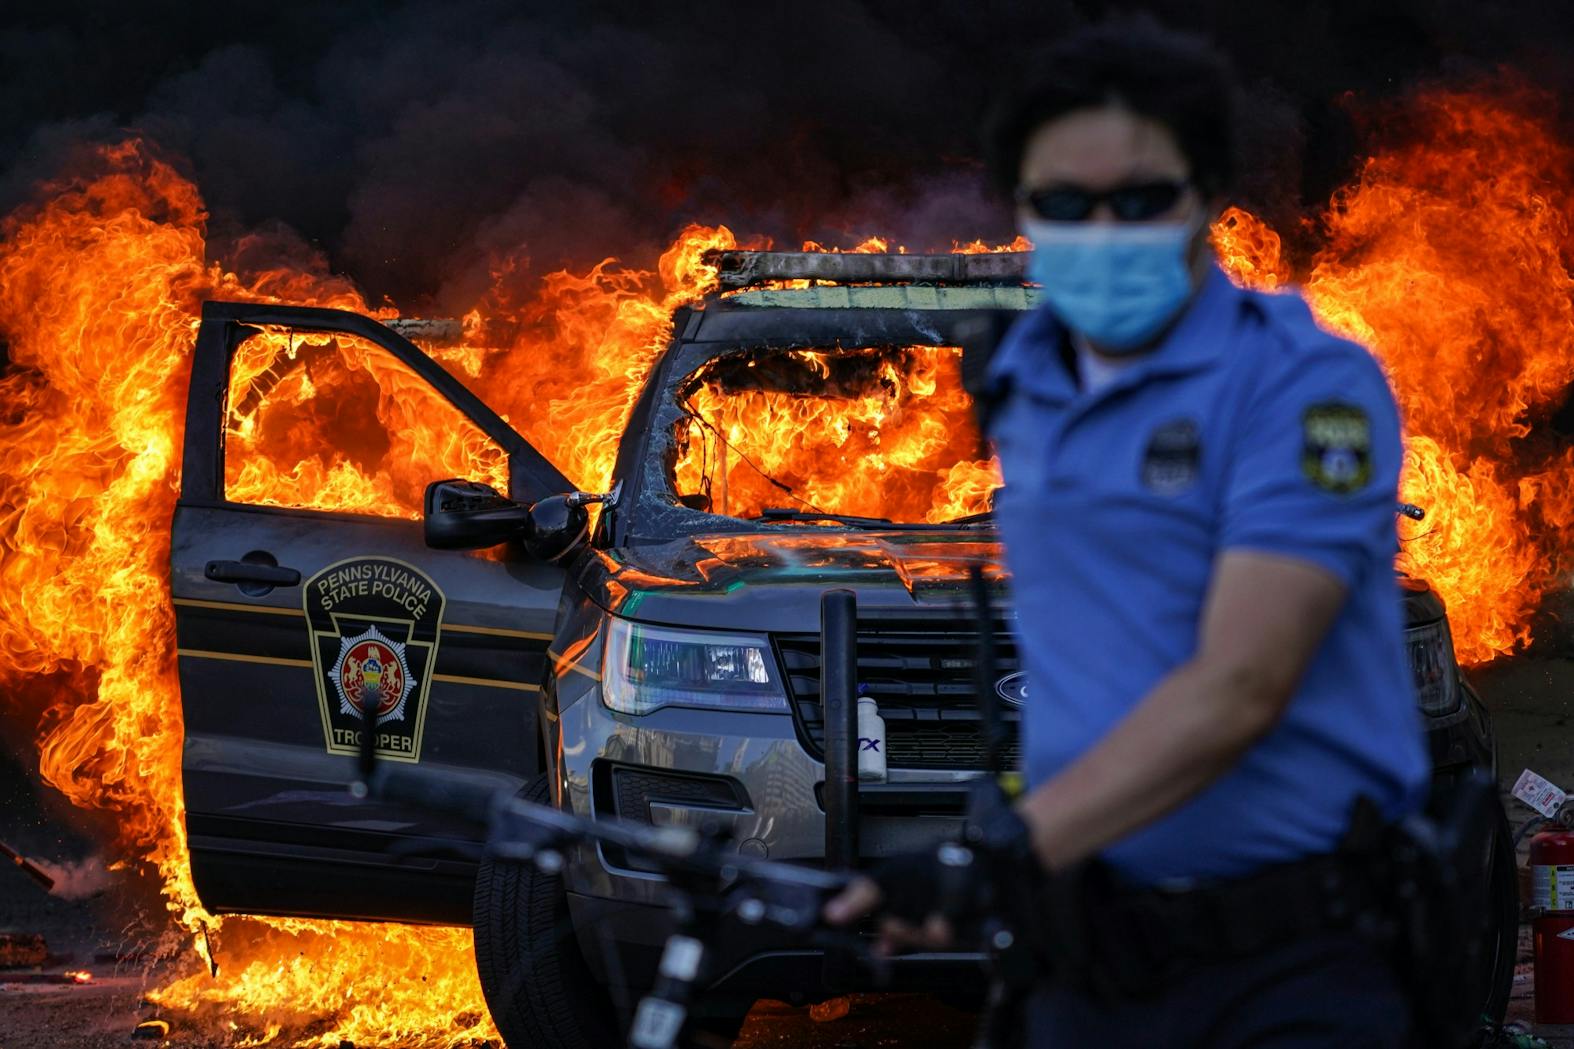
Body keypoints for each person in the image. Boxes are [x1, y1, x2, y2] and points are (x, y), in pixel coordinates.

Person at [825, 17, 1430, 1048]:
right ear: (1022, 208)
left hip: (1286, 966)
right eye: (1065, 203)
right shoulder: (1026, 388)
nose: (1103, 231)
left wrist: (1000, 853)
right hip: (1086, 955)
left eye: (1140, 199)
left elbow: (1240, 684)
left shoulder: (1306, 385)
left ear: (1202, 196)